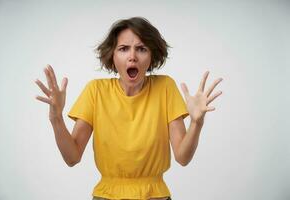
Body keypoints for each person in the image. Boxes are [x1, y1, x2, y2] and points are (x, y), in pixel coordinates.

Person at [35, 17, 223, 200]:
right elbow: (72, 158)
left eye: (141, 49)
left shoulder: (165, 87)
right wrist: (56, 118)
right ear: (113, 55)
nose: (132, 57)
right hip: (106, 196)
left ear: (151, 56)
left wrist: (197, 122)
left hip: (154, 196)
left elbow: (182, 157)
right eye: (124, 49)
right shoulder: (96, 91)